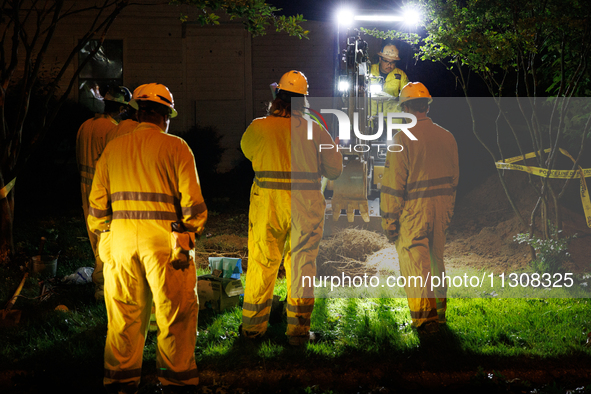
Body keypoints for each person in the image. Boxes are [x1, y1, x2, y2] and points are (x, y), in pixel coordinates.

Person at [87, 83, 207, 393]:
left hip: (121, 243)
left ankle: (121, 383)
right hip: (165, 244)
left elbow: (97, 208)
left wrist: (105, 232)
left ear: (137, 112)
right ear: (166, 115)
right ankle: (175, 382)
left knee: (124, 318)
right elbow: (193, 209)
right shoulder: (177, 147)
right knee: (174, 316)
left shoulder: (113, 148)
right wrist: (189, 231)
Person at [240, 70, 343, 346]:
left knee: (262, 262)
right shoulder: (315, 129)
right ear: (304, 101)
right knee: (303, 265)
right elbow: (334, 171)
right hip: (305, 206)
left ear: (277, 98)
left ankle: (252, 330)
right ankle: (298, 333)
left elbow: (248, 151)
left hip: (267, 205)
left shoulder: (258, 127)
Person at [380, 82, 459, 335]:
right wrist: (446, 210)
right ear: (426, 105)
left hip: (415, 212)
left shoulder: (402, 139)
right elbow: (454, 179)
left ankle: (426, 323)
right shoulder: (447, 136)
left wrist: (390, 222)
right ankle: (441, 316)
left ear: (405, 107)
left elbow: (393, 187)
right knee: (436, 261)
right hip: (442, 208)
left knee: (417, 266)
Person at [76, 85, 129, 301]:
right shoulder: (112, 130)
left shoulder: (84, 126)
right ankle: (103, 286)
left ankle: (101, 281)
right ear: (121, 108)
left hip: (84, 190)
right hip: (103, 191)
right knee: (107, 238)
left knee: (94, 236)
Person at [370, 43, 409, 117]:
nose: (389, 65)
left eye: (392, 62)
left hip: (392, 109)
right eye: (386, 61)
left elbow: (407, 94)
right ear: (380, 59)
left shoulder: (401, 75)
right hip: (371, 108)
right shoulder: (369, 70)